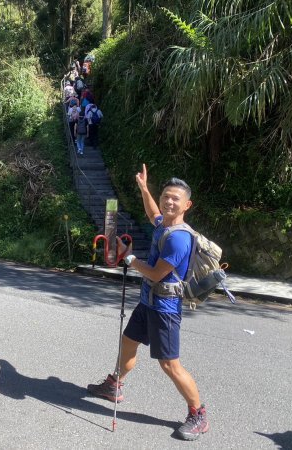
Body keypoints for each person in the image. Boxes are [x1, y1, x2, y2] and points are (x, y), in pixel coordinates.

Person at [87, 164, 209, 441]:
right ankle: (114, 385)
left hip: (165, 308)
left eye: (175, 198)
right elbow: (152, 212)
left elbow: (155, 273)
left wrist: (128, 257)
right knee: (128, 342)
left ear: (186, 205)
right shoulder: (163, 225)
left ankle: (198, 414)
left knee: (170, 365)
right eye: (166, 195)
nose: (168, 201)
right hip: (147, 302)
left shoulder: (179, 239)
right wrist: (144, 188)